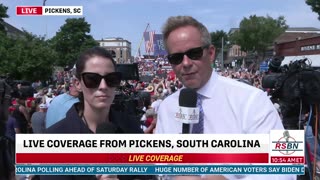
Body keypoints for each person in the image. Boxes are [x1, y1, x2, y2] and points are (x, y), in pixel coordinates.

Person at [154, 16, 295, 180]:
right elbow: (160, 168)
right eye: (176, 58)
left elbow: (285, 168)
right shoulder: (167, 107)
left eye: (194, 53)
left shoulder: (252, 100)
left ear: (211, 53)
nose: (185, 63)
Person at [41, 47, 153, 180]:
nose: (103, 86)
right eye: (92, 79)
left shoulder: (132, 128)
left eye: (111, 79)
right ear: (78, 84)